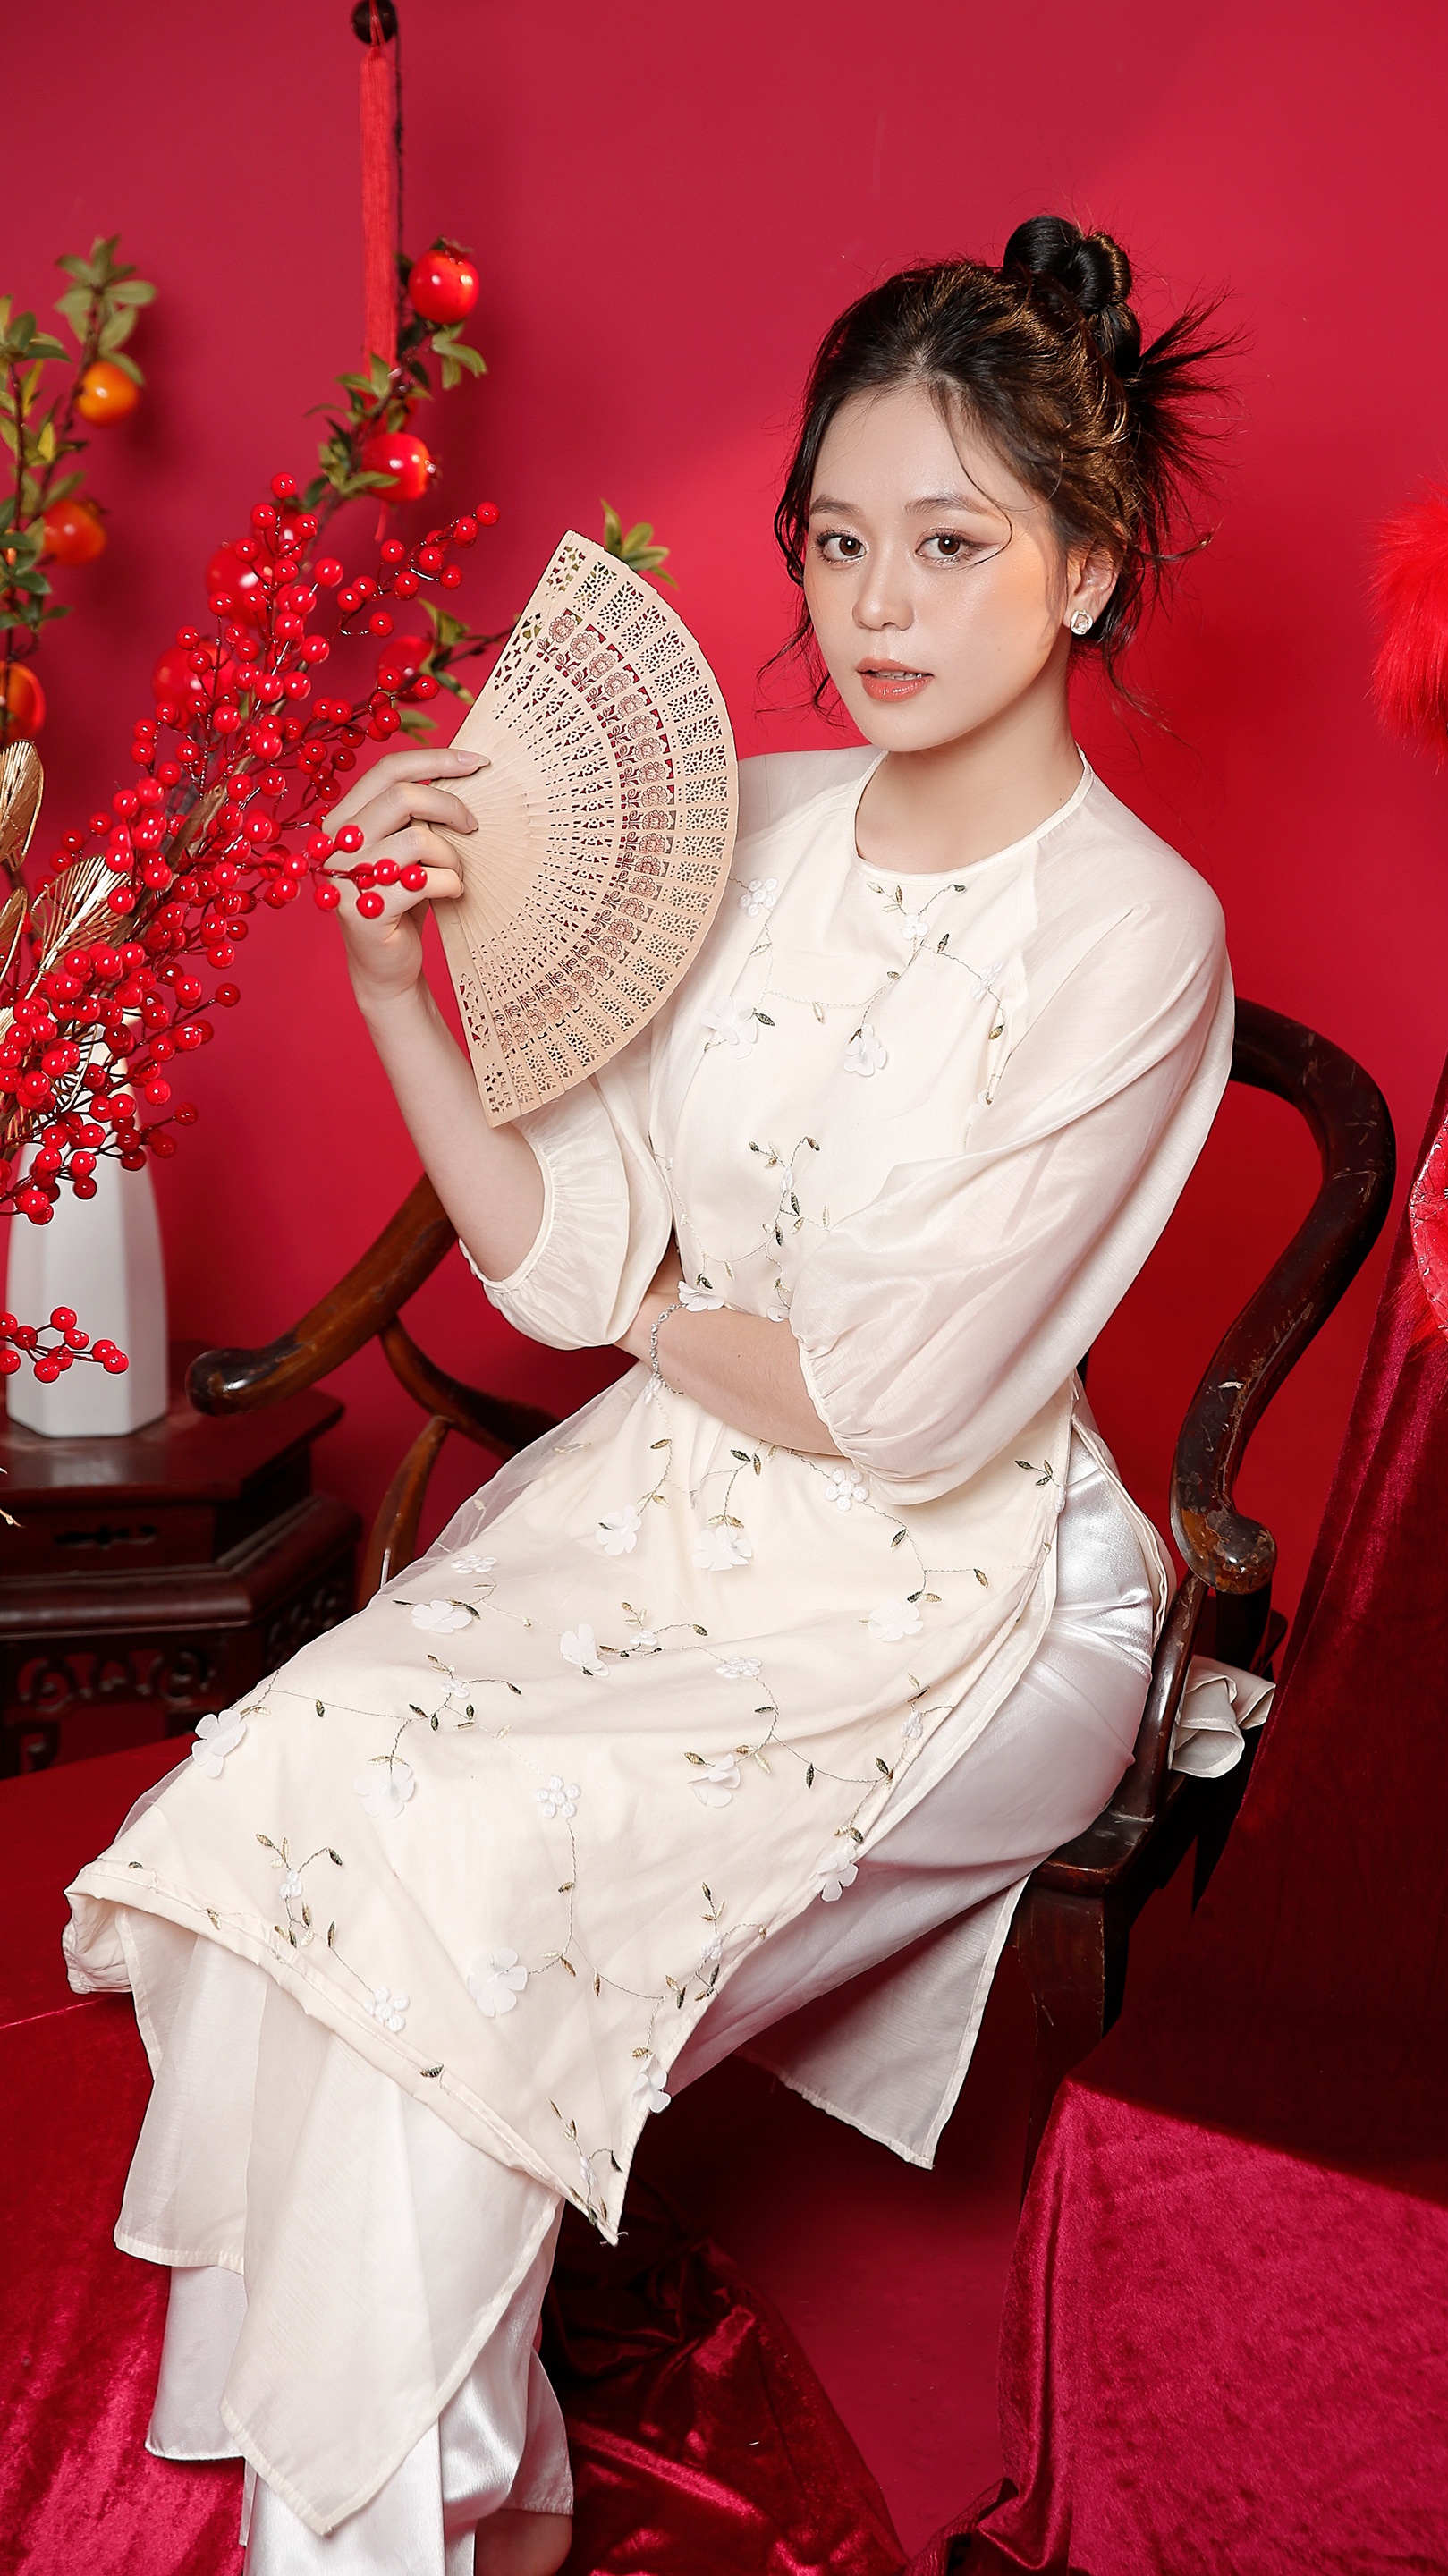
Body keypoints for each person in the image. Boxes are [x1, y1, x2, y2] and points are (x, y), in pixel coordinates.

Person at [65, 216, 1260, 2574]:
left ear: (1092, 564)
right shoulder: (753, 831)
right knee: (315, 1763)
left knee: (469, 1853)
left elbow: (897, 1411)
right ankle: (455, 2492)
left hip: (964, 1592)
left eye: (951, 542)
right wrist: (404, 999)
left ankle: (389, 2529)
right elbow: (562, 1243)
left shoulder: (1139, 932)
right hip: (669, 1503)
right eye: (837, 539)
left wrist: (635, 1296)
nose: (878, 605)